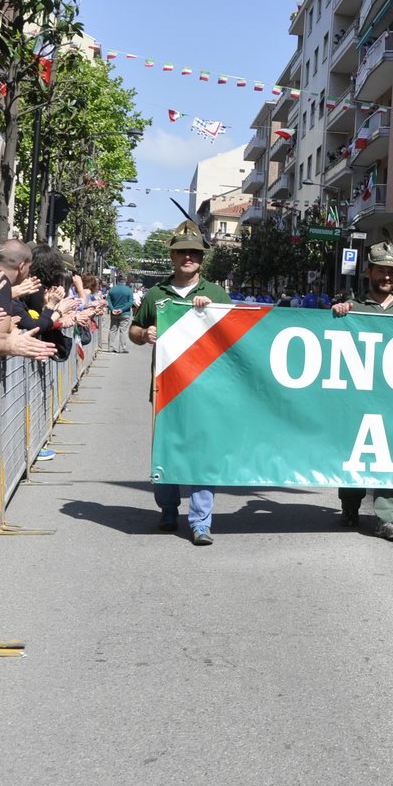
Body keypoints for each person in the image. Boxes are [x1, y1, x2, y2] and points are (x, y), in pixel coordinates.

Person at [129, 229, 230, 547]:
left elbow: (233, 337)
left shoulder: (216, 293)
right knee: (167, 451)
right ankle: (168, 510)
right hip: (166, 390)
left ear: (202, 258)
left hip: (205, 391)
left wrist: (211, 312)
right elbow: (133, 328)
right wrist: (144, 335)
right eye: (183, 252)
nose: (189, 257)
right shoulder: (156, 294)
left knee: (204, 454)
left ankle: (201, 522)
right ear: (172, 256)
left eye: (195, 253)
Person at [330, 242, 393, 542]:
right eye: (381, 271)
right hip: (357, 399)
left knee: (389, 457)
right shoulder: (353, 309)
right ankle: (349, 507)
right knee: (354, 455)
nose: (386, 277)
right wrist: (336, 313)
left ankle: (387, 518)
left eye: (391, 272)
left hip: (392, 401)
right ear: (368, 272)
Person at [106, 275, 136, 353]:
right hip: (125, 313)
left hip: (114, 313)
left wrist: (112, 309)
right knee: (123, 331)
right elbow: (130, 302)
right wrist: (122, 309)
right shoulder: (129, 290)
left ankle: (110, 347)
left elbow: (108, 301)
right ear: (125, 281)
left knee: (112, 330)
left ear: (117, 280)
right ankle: (122, 348)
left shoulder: (112, 290)